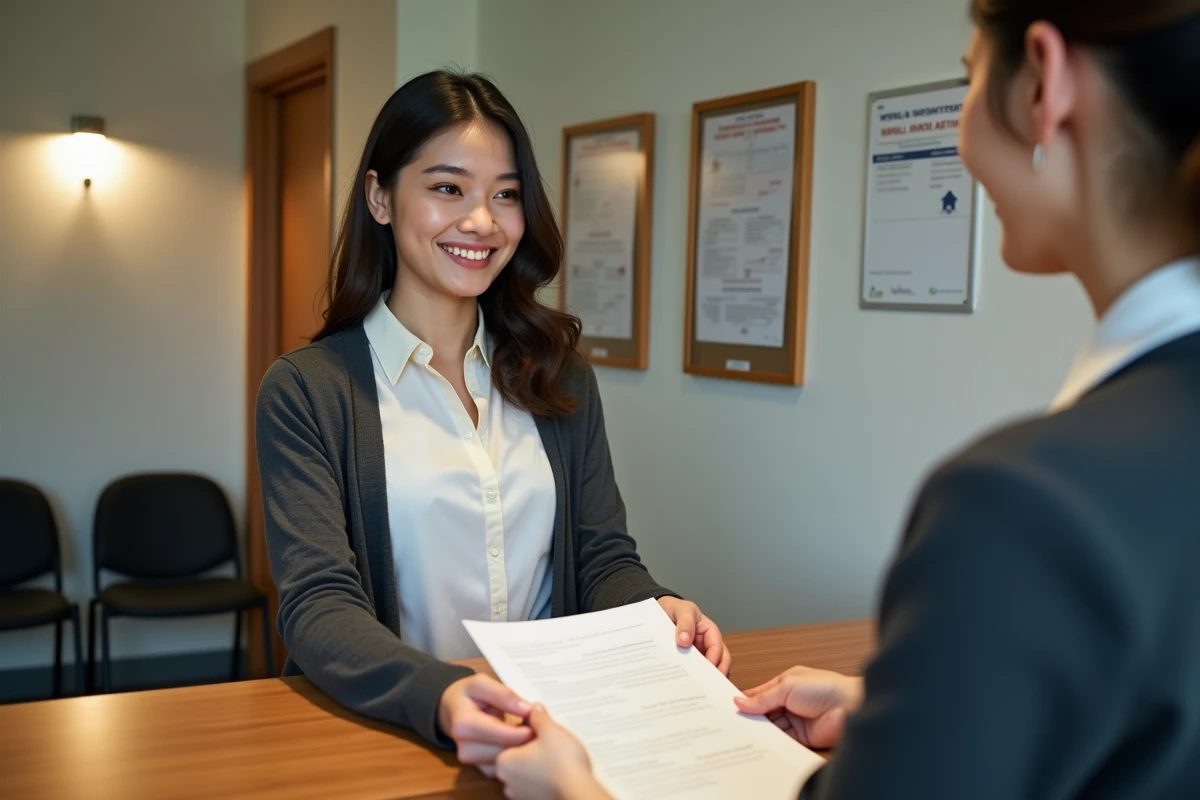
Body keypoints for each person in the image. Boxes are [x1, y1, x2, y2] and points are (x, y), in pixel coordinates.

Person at [491, 0, 1200, 797]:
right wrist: (901, 717)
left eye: (968, 82)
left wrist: (571, 792)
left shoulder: (1026, 505)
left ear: (1045, 82)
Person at [254, 70, 730, 771]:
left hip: (558, 736)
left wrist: (654, 606)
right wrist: (443, 695)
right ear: (380, 197)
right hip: (397, 730)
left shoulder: (559, 375)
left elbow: (601, 559)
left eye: (505, 195)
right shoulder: (308, 392)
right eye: (448, 188)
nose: (481, 221)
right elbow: (319, 607)